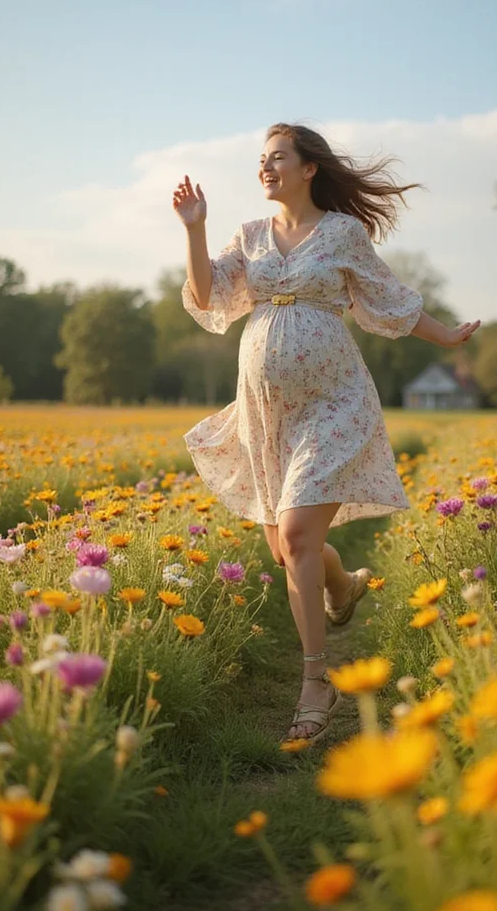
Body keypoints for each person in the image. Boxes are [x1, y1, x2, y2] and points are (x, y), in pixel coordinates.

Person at [173, 122, 480, 744]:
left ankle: (316, 682)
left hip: (333, 402)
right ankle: (341, 587)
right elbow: (208, 296)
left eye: (277, 157)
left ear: (308, 168)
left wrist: (445, 336)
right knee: (290, 550)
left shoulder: (342, 232)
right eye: (261, 159)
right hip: (264, 411)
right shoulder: (249, 235)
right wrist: (195, 227)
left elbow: (388, 298)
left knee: (293, 533)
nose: (265, 167)